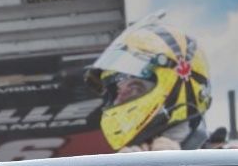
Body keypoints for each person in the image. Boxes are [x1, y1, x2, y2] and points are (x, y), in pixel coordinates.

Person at [85, 11, 212, 152]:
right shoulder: (126, 159)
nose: (117, 101)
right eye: (116, 91)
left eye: (134, 89)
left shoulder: (221, 164)